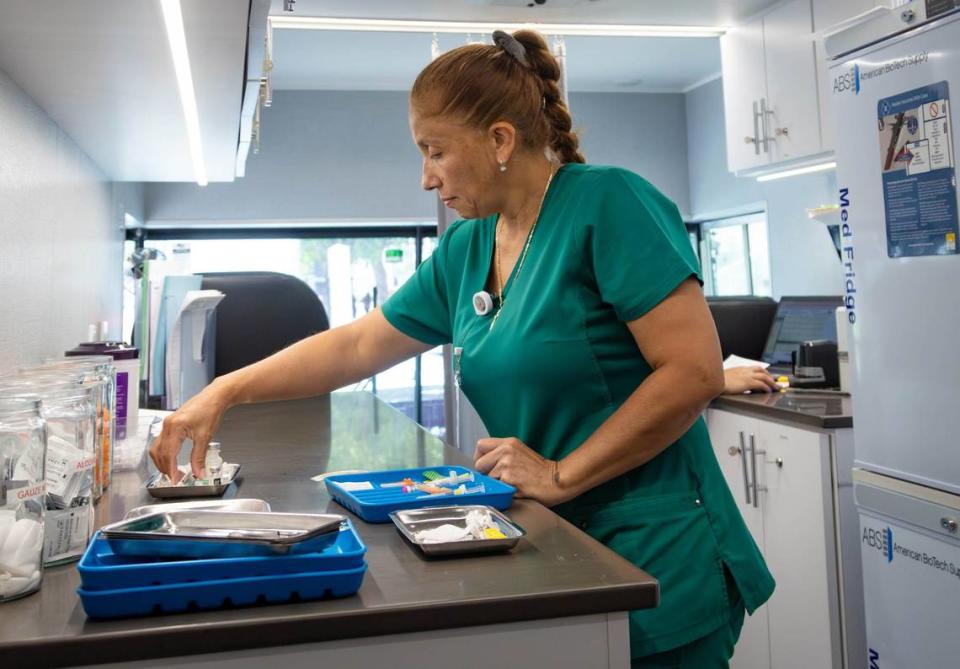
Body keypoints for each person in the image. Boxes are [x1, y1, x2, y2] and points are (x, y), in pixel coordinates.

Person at [150, 29, 774, 668]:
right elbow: (358, 345)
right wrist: (224, 391)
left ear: (500, 140)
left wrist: (562, 474)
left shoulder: (608, 204)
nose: (426, 177)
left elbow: (694, 372)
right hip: (558, 540)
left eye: (435, 151)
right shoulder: (468, 247)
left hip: (657, 546)